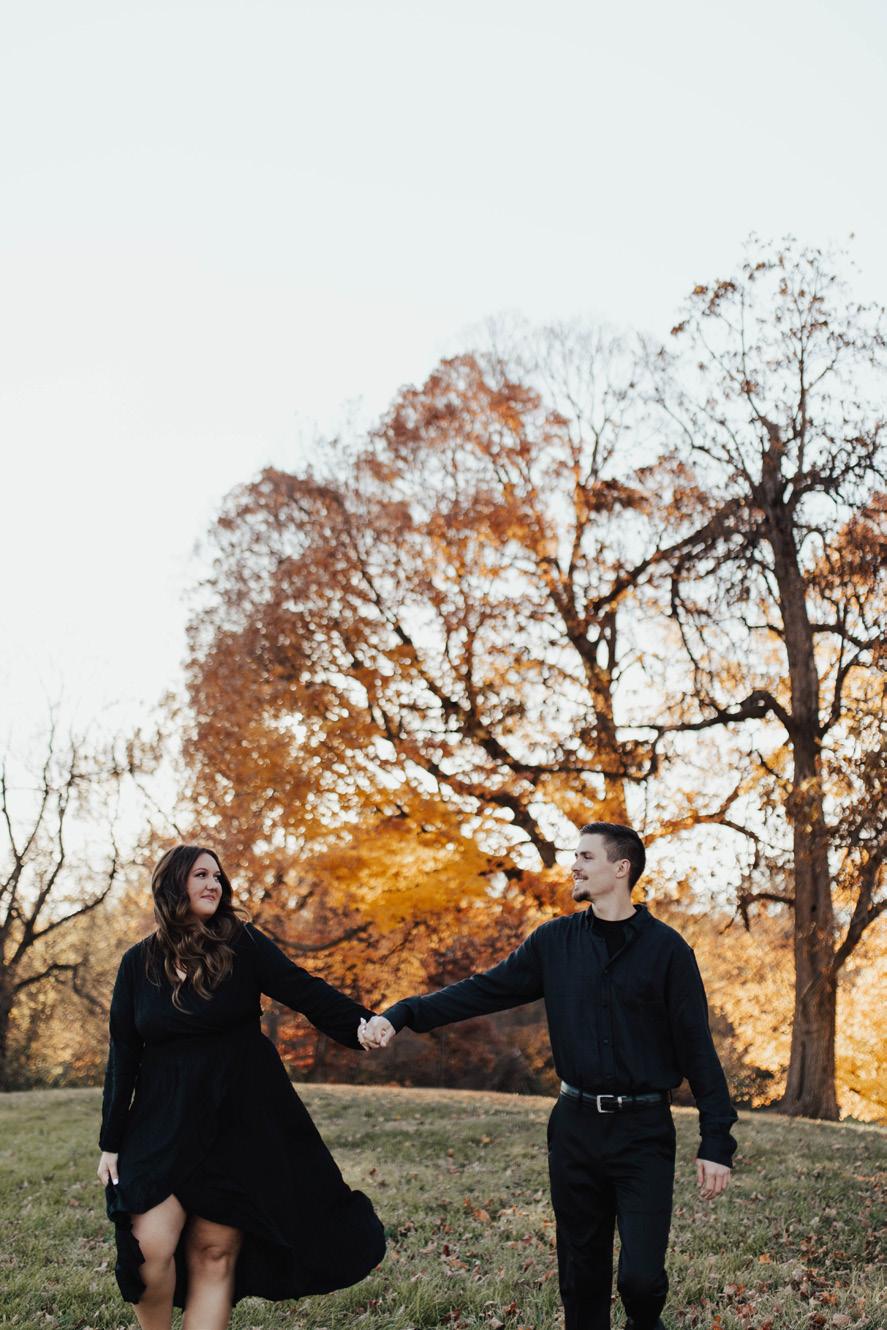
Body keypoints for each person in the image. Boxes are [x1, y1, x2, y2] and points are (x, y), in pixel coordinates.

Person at [359, 821, 738, 1330]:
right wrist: (404, 1012)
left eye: (585, 857)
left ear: (621, 868)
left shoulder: (668, 950)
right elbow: (482, 990)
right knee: (581, 1278)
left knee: (642, 1280)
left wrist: (716, 1140)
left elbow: (697, 1048)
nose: (573, 866)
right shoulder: (554, 942)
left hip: (643, 1132)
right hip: (575, 1127)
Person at [97, 844, 385, 1329]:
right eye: (200, 875)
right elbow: (123, 1053)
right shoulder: (137, 963)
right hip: (161, 1120)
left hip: (238, 1116)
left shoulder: (241, 943)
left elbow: (302, 988)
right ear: (172, 885)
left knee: (214, 1253)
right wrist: (111, 1141)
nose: (214, 884)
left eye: (217, 876)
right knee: (148, 1250)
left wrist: (361, 1024)